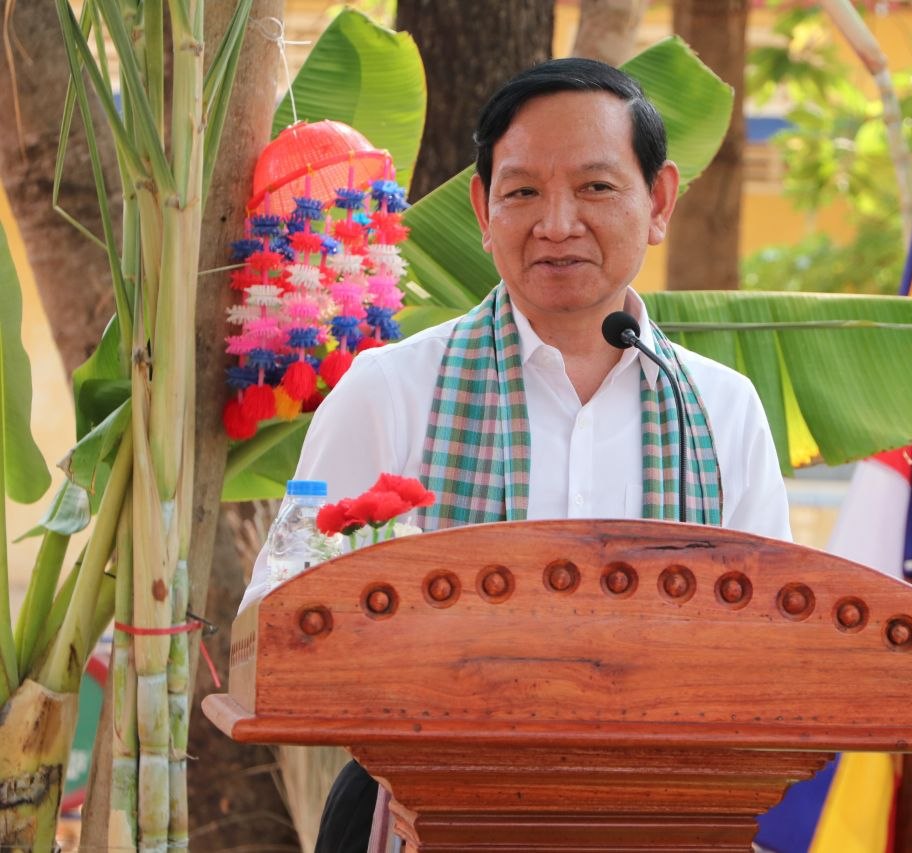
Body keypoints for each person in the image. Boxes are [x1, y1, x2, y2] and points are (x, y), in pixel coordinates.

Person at [242, 57, 791, 851]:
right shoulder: (390, 388)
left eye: (596, 187)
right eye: (524, 191)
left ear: (659, 200)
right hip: (421, 820)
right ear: (482, 207)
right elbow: (279, 620)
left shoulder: (720, 410)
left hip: (661, 824)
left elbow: (771, 648)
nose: (557, 223)